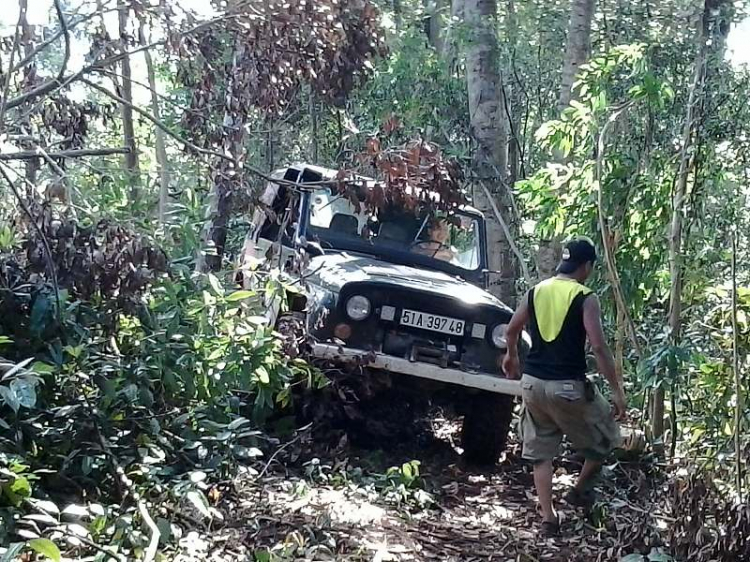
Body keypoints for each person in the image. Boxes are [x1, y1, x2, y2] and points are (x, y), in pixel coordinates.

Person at [502, 236, 626, 537]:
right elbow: (598, 346)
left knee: (541, 452)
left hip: (532, 385)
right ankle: (579, 490)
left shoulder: (537, 291)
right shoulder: (586, 297)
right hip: (568, 388)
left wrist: (511, 356)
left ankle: (548, 518)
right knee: (607, 436)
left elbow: (511, 329)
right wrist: (617, 391)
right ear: (586, 267)